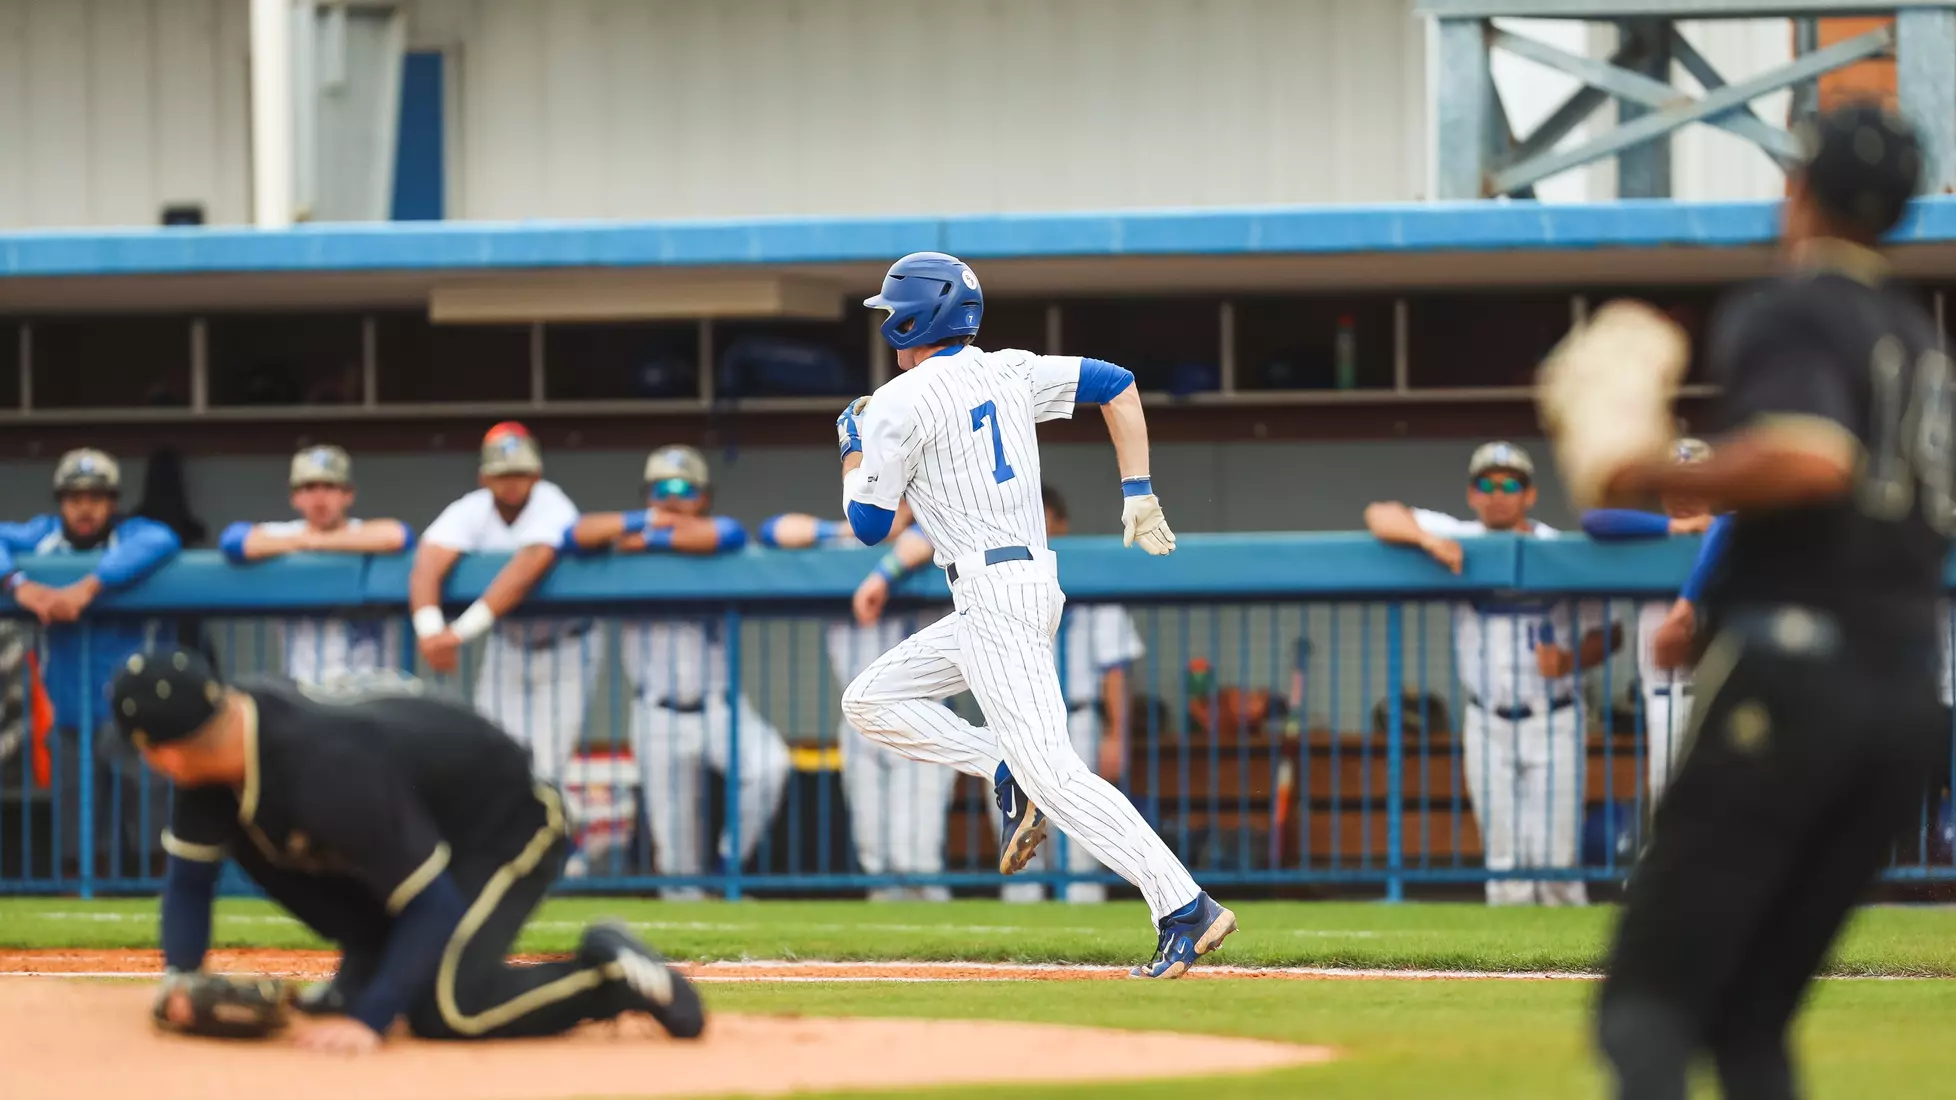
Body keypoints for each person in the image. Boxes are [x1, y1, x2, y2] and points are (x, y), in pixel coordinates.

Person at [1583, 105, 1948, 1100]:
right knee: (1751, 1021)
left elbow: (1808, 455)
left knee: (1644, 1006)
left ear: (1798, 191)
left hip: (1795, 678)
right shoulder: (1921, 340)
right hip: (1908, 699)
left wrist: (1638, 466)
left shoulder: (1796, 306)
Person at [836, 250, 1234, 978]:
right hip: (1020, 584)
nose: (887, 321)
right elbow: (1117, 383)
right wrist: (1138, 489)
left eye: (893, 310)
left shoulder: (896, 401)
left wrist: (852, 445)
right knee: (870, 700)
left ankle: (1184, 906)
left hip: (993, 593)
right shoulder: (1011, 367)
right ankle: (1000, 765)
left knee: (1056, 773)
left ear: (919, 316)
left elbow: (868, 525)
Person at [115, 648, 701, 1054]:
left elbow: (432, 903)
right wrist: (181, 980)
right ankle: (368, 963)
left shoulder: (321, 769)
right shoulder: (215, 759)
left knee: (448, 1009)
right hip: (425, 821)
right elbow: (190, 881)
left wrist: (371, 1020)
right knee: (250, 833)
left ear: (161, 753)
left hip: (505, 823)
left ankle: (609, 975)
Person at [1364, 441, 1620, 907]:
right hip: (1487, 720)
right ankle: (1514, 975)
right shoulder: (1458, 534)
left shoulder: (1554, 548)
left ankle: (1567, 974)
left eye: (1509, 484)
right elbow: (1380, 513)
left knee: (1557, 860)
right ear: (1472, 494)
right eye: (1487, 483)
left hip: (1554, 716)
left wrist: (1569, 660)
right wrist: (1428, 542)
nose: (1497, 493)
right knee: (1504, 864)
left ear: (1529, 494)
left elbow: (1610, 632)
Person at [566, 445, 787, 897]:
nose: (671, 496)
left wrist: (652, 538)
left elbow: (727, 534)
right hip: (656, 712)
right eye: (661, 488)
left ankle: (729, 864)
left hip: (720, 707)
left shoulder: (716, 541)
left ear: (703, 496)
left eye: (684, 488)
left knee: (771, 765)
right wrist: (642, 526)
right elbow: (574, 536)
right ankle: (693, 941)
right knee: (676, 857)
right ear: (647, 494)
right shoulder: (624, 544)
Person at [0, 448, 181, 876]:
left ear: (112, 502)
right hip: (68, 715)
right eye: (74, 497)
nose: (85, 507)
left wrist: (90, 586)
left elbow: (164, 539)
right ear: (61, 502)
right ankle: (82, 929)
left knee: (154, 832)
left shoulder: (133, 534)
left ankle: (161, 924)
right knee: (78, 843)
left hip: (134, 714)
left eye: (96, 497)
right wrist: (18, 585)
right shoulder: (42, 537)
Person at [759, 509, 956, 901]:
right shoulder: (843, 543)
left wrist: (883, 574)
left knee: (917, 858)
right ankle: (894, 962)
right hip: (861, 720)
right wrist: (842, 528)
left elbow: (928, 535)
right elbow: (772, 530)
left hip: (924, 714)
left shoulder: (938, 530)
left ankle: (947, 955)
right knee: (875, 858)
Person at [410, 423, 595, 784]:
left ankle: (545, 839)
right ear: (484, 478)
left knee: (544, 771)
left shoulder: (552, 503)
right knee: (489, 753)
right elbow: (427, 563)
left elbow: (528, 567)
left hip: (567, 647)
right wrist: (431, 632)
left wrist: (458, 634)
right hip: (508, 645)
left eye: (520, 473)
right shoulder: (472, 509)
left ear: (536, 475)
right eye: (501, 474)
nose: (511, 481)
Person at [998, 485, 1143, 904]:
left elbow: (1115, 669)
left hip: (1077, 719)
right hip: (1017, 721)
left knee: (1081, 842)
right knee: (1018, 843)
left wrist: (1117, 733)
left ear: (1062, 525)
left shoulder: (1092, 575)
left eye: (1045, 524)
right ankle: (1019, 957)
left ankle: (1084, 962)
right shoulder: (1002, 581)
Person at [1582, 439, 1732, 806]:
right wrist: (1672, 528)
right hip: (1663, 701)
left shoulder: (1729, 532)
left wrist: (1686, 602)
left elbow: (1729, 524)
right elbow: (1593, 521)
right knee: (1671, 813)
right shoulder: (1649, 536)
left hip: (1715, 701)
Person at [218, 446, 415, 684]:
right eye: (309, 487)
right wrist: (303, 541)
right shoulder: (284, 533)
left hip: (373, 687)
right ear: (294, 497)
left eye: (330, 487)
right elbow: (233, 541)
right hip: (307, 686)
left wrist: (319, 543)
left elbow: (399, 535)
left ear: (348, 494)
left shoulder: (365, 531)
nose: (320, 498)